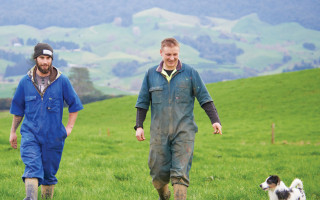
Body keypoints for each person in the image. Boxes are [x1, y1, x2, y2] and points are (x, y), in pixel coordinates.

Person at [134, 38, 222, 200]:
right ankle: (164, 196)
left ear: (179, 53)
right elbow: (142, 102)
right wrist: (139, 126)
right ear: (161, 53)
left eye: (175, 54)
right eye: (168, 54)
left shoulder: (190, 73)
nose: (172, 58)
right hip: (159, 132)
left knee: (180, 173)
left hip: (184, 132)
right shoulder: (150, 74)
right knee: (158, 171)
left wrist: (215, 120)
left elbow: (205, 98)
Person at [9, 43, 83, 200]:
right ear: (35, 59)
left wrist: (69, 127)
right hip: (30, 134)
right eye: (42, 58)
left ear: (52, 59)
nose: (45, 61)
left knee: (49, 173)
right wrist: (13, 132)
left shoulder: (62, 81)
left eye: (48, 58)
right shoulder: (25, 82)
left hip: (54, 136)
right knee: (32, 167)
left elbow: (74, 105)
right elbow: (18, 110)